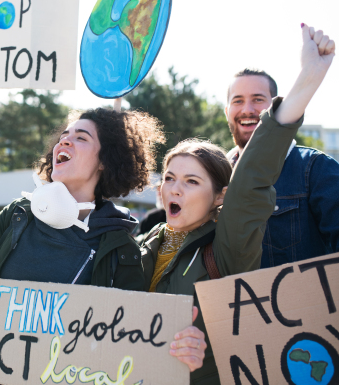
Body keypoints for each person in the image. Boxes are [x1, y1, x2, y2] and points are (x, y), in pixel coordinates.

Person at [0, 108, 209, 373]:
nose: (65, 142)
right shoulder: (19, 214)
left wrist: (180, 348)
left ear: (104, 162)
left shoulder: (122, 249)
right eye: (63, 137)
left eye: (80, 138)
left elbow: (129, 348)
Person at [141, 24, 334, 384]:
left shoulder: (313, 171)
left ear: (220, 196)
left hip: (300, 353)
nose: (176, 189)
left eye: (192, 181)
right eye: (169, 178)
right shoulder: (148, 240)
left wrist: (309, 78)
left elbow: (252, 178)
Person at [225, 26, 338, 268]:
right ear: (227, 112)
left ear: (274, 107)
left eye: (258, 99)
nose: (247, 109)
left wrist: (311, 72)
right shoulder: (215, 175)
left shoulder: (316, 169)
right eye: (238, 101)